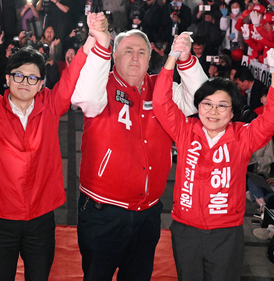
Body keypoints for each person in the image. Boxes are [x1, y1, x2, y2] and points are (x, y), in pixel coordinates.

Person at [0, 12, 104, 281]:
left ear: (42, 83)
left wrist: (92, 38)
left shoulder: (50, 105)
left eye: (32, 78)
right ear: (7, 79)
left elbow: (71, 77)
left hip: (40, 217)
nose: (25, 83)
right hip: (0, 218)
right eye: (18, 76)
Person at [71, 28, 208, 279]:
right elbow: (86, 98)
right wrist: (100, 46)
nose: (135, 57)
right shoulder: (101, 84)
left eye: (141, 52)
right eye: (128, 51)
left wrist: (186, 60)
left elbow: (202, 98)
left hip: (148, 212)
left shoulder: (162, 87)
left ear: (149, 59)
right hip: (103, 212)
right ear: (114, 57)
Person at [152, 44, 274, 281]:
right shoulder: (185, 130)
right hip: (185, 229)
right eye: (207, 104)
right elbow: (162, 104)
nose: (213, 111)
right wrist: (172, 57)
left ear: (233, 112)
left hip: (226, 233)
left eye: (222, 106)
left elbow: (272, 121)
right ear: (198, 107)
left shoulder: (242, 136)